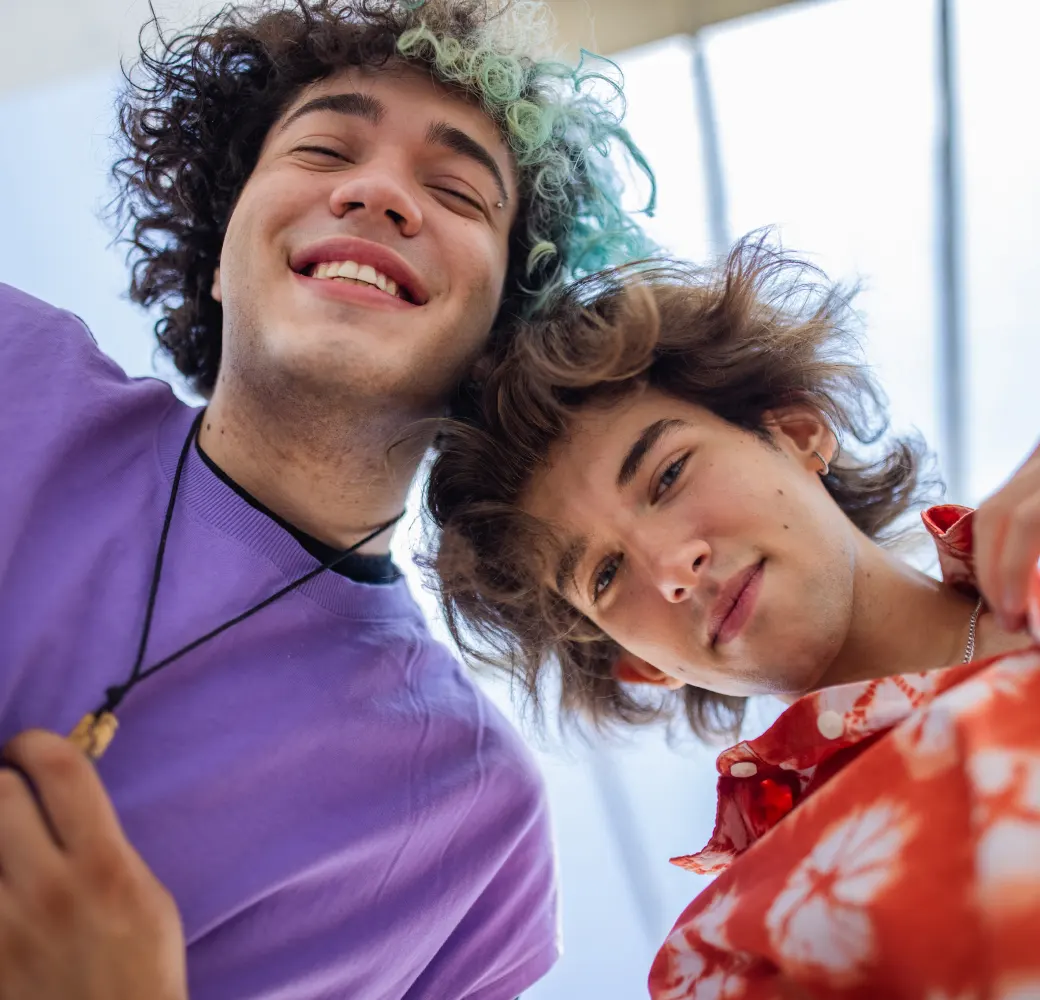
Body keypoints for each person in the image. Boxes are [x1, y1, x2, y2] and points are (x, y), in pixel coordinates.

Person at [0, 1, 654, 997]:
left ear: (495, 342)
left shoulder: (477, 841)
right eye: (321, 148)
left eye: (456, 191)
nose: (381, 192)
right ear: (221, 251)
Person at [424, 235, 1040, 999]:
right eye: (608, 574)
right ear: (645, 665)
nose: (669, 568)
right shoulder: (735, 950)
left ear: (800, 433)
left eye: (669, 473)